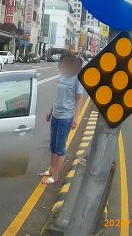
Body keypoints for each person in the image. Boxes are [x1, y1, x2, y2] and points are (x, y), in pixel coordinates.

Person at [40, 53, 83, 185]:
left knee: (60, 147)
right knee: (53, 145)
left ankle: (56, 176)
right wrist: (50, 111)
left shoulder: (77, 79)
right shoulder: (63, 76)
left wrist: (76, 118)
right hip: (56, 115)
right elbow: (58, 97)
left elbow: (80, 99)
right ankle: (51, 170)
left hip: (66, 117)